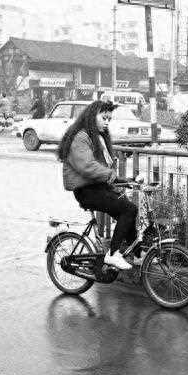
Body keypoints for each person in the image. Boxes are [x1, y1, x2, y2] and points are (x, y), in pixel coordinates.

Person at [57, 100, 140, 270]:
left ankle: (138, 255)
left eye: (109, 119)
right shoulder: (80, 137)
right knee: (128, 209)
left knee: (129, 211)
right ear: (91, 116)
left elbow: (104, 166)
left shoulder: (98, 137)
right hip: (86, 190)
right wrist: (112, 177)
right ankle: (112, 255)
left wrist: (124, 181)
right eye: (104, 118)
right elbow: (87, 166)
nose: (107, 122)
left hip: (98, 187)